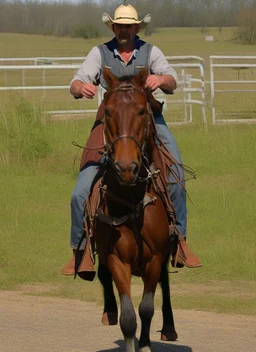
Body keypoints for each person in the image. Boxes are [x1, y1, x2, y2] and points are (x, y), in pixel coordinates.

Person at [61, 4, 202, 279]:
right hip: (111, 122)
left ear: (137, 28)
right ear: (113, 28)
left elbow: (172, 83)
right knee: (79, 191)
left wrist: (159, 78)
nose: (124, 31)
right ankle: (81, 251)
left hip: (147, 119)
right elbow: (75, 83)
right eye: (119, 26)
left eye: (129, 26)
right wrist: (82, 87)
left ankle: (180, 240)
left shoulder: (152, 52)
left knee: (176, 175)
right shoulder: (99, 53)